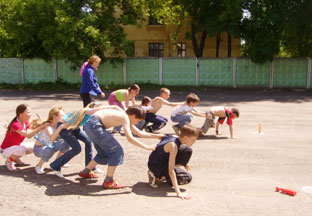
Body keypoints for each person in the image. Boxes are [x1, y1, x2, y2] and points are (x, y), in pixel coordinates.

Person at [78, 106, 163, 189]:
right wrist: (147, 147)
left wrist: (158, 136)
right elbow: (130, 138)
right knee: (116, 151)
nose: (137, 123)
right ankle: (108, 181)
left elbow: (139, 133)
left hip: (89, 125)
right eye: (138, 121)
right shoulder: (125, 117)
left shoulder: (124, 115)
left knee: (103, 153)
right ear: (133, 116)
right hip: (95, 125)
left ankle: (85, 172)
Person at [49, 102, 122, 178]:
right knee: (77, 149)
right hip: (65, 128)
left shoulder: (93, 115)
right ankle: (55, 166)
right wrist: (115, 107)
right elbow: (110, 107)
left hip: (74, 127)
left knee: (88, 141)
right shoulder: (89, 111)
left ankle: (89, 167)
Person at [147, 124, 199, 200]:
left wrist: (184, 163)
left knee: (187, 150)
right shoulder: (173, 146)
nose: (194, 142)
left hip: (159, 160)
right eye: (193, 139)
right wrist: (178, 193)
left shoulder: (175, 137)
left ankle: (165, 174)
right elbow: (171, 171)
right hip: (156, 166)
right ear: (185, 138)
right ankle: (156, 175)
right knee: (187, 178)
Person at [0, 104, 48, 171]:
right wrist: (41, 127)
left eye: (30, 112)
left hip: (15, 147)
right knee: (22, 149)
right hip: (5, 150)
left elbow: (33, 127)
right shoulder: (15, 125)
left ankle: (15, 158)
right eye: (28, 112)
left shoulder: (24, 123)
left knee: (35, 146)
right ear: (20, 113)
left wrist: (45, 123)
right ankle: (9, 161)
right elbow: (28, 135)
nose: (30, 114)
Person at [31, 107, 70, 174]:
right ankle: (39, 166)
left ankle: (57, 162)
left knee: (67, 142)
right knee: (49, 149)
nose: (64, 117)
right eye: (62, 116)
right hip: (39, 149)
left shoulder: (58, 125)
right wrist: (61, 128)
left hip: (50, 146)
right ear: (54, 117)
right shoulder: (48, 126)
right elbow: (52, 138)